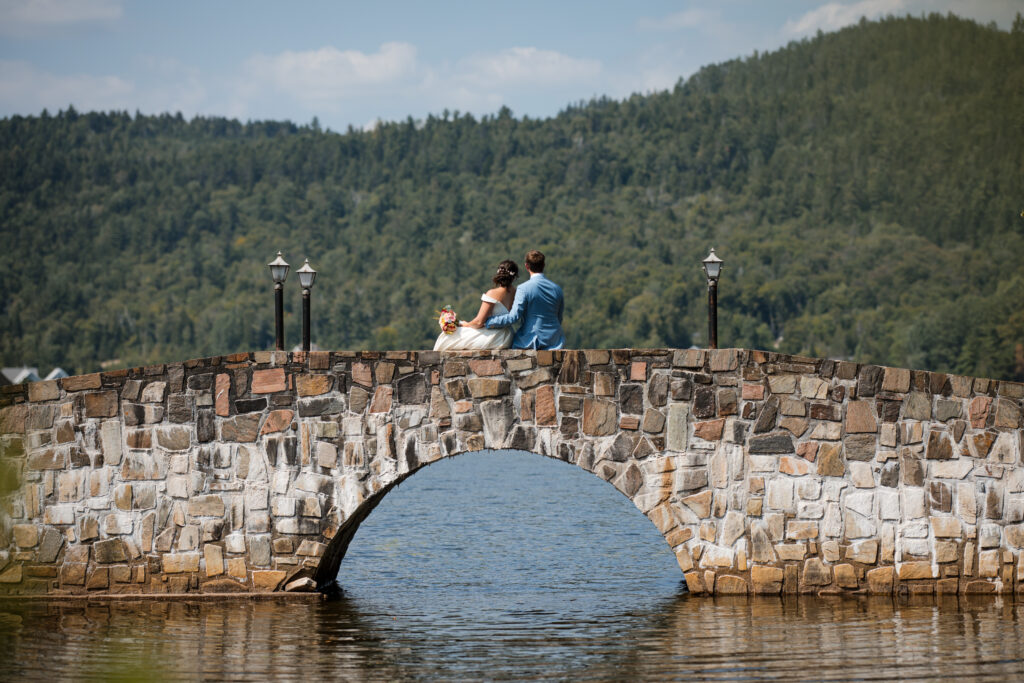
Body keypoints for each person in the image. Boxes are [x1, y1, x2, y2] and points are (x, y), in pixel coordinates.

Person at [483, 250, 565, 350]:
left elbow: (513, 317)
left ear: (527, 266)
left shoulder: (523, 288)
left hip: (532, 339)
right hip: (555, 340)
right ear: (543, 265)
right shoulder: (557, 289)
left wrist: (488, 321)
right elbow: (559, 318)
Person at [433, 260, 519, 351]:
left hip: (495, 337)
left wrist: (464, 324)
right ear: (514, 277)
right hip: (507, 335)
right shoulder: (517, 293)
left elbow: (479, 322)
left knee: (447, 337)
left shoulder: (492, 293)